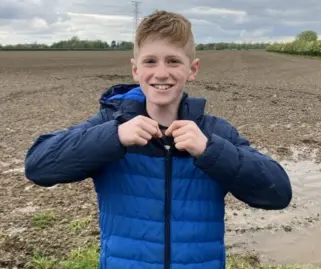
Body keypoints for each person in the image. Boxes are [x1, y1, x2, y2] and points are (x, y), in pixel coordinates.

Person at [24, 10, 292, 269]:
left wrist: (209, 150)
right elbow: (38, 166)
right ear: (135, 70)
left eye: (173, 61)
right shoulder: (110, 125)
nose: (161, 73)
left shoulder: (214, 133)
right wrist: (115, 136)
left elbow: (278, 193)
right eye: (150, 61)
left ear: (192, 69)